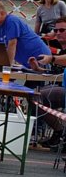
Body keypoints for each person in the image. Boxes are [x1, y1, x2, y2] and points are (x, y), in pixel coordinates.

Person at [29, 17, 66, 147]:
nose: (58, 33)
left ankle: (60, 132)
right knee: (34, 96)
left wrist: (51, 58)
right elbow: (57, 71)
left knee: (37, 96)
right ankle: (60, 132)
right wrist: (38, 68)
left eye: (62, 30)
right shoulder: (61, 47)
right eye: (56, 30)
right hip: (63, 86)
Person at [0, 1, 51, 67]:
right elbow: (0, 48)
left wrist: (7, 66)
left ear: (2, 13)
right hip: (28, 62)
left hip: (40, 57)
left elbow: (12, 44)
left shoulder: (11, 21)